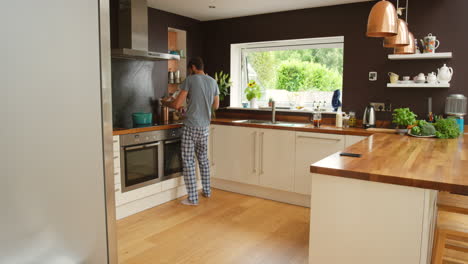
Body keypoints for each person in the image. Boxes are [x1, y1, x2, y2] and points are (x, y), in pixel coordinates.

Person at [162, 57, 219, 206]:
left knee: (188, 161)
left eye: (189, 69)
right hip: (204, 127)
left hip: (191, 127)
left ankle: (193, 198)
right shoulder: (212, 81)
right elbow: (216, 105)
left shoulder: (190, 79)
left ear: (193, 67)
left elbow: (177, 104)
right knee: (203, 160)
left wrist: (165, 103)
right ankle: (207, 191)